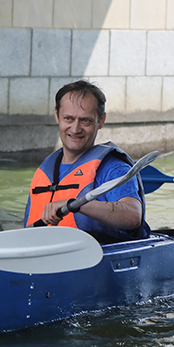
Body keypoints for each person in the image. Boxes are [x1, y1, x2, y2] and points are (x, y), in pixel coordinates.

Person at [24, 80, 150, 243]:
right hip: (40, 254)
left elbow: (132, 215)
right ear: (57, 115)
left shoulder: (114, 169)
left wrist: (75, 205)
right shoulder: (47, 169)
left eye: (85, 121)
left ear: (101, 120)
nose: (75, 129)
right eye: (68, 118)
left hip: (95, 258)